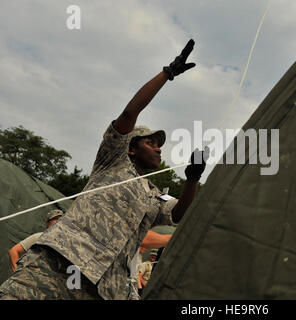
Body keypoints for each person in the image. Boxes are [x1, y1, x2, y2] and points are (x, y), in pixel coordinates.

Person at [0, 39, 207, 300]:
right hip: (56, 266)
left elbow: (179, 213)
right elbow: (130, 113)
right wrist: (168, 73)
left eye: (159, 145)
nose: (158, 149)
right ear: (131, 148)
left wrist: (192, 179)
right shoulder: (113, 162)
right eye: (150, 143)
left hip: (104, 289)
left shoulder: (154, 197)